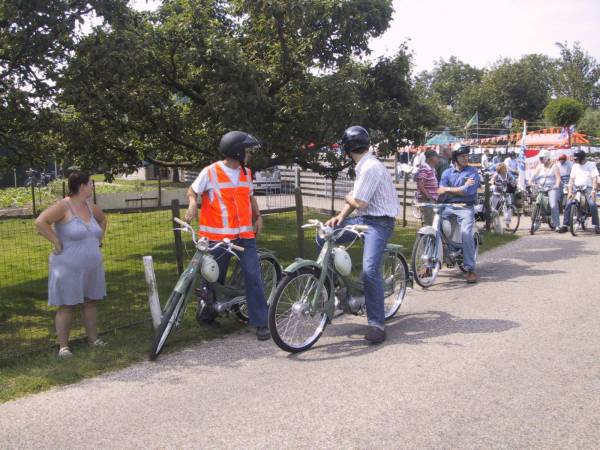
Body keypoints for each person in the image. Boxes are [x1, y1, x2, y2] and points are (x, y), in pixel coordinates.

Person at [184, 131, 270, 340]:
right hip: (219, 238)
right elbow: (192, 190)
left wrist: (257, 216)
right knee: (213, 278)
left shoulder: (246, 173)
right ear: (237, 152)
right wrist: (193, 203)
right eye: (247, 151)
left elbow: (250, 197)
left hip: (244, 236)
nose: (249, 154)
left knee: (253, 276)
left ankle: (260, 322)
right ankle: (206, 315)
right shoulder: (211, 172)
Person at [323, 126, 399, 344]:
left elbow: (359, 202)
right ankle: (338, 289)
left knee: (369, 270)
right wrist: (339, 216)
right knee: (323, 236)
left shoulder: (369, 167)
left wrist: (348, 200)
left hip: (380, 222)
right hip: (365, 219)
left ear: (347, 148)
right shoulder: (364, 164)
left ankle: (377, 324)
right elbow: (356, 199)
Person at [34, 171, 107, 358]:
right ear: (82, 186)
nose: (92, 186)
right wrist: (56, 241)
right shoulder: (64, 206)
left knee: (90, 302)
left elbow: (102, 219)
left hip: (92, 266)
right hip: (68, 267)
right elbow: (41, 221)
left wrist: (99, 239)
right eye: (91, 183)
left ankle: (94, 340)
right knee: (67, 305)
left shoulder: (90, 206)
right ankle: (64, 347)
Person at [438, 144, 481, 283]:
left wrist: (448, 189)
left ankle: (470, 269)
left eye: (467, 156)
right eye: (463, 156)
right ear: (455, 157)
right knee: (436, 228)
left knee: (466, 233)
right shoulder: (446, 173)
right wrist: (461, 187)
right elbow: (440, 190)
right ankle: (431, 263)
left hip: (465, 207)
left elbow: (467, 192)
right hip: (448, 206)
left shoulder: (472, 172)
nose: (466, 158)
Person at [558, 149, 600, 234]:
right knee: (568, 203)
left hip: (587, 188)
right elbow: (571, 179)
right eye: (574, 159)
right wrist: (570, 191)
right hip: (576, 188)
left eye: (576, 159)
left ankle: (597, 225)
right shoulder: (575, 166)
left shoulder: (591, 165)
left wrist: (593, 190)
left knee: (592, 204)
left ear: (581, 158)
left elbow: (595, 178)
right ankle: (565, 225)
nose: (575, 160)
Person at [528, 150, 561, 229]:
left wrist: (556, 185)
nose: (540, 160)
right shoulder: (539, 167)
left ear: (547, 158)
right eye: (540, 158)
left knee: (553, 205)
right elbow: (532, 177)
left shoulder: (554, 166)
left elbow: (558, 178)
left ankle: (557, 225)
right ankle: (536, 221)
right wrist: (530, 182)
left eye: (542, 158)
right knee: (537, 202)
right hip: (541, 187)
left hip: (551, 188)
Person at [414, 149, 439, 225]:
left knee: (433, 222)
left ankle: (430, 236)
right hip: (426, 200)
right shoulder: (425, 168)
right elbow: (420, 184)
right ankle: (426, 236)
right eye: (436, 157)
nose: (438, 159)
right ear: (430, 159)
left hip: (431, 199)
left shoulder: (432, 169)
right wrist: (428, 196)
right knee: (429, 223)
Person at [490, 163, 515, 228]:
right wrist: (493, 182)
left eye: (505, 168)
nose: (504, 170)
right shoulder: (496, 175)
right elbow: (491, 180)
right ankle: (492, 223)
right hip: (497, 194)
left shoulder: (508, 175)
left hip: (506, 194)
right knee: (494, 209)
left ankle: (507, 224)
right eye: (503, 168)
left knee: (508, 209)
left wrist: (513, 183)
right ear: (499, 169)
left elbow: (513, 180)